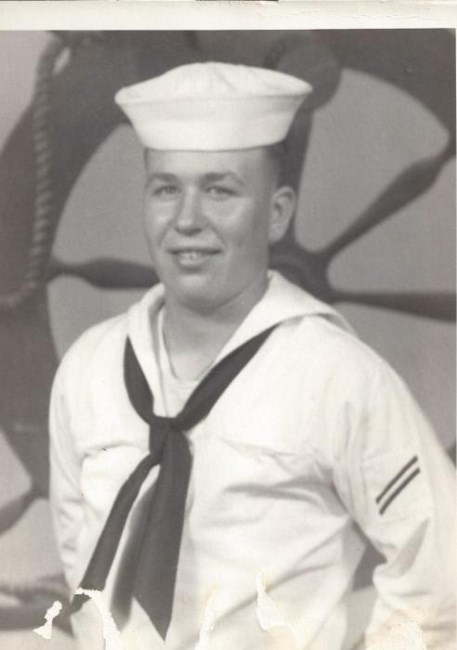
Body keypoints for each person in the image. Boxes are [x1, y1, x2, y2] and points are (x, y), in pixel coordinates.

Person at [49, 62, 455, 650]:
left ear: (277, 213)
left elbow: (441, 574)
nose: (187, 220)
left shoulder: (338, 378)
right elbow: (77, 553)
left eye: (220, 190)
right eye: (166, 189)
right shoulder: (89, 369)